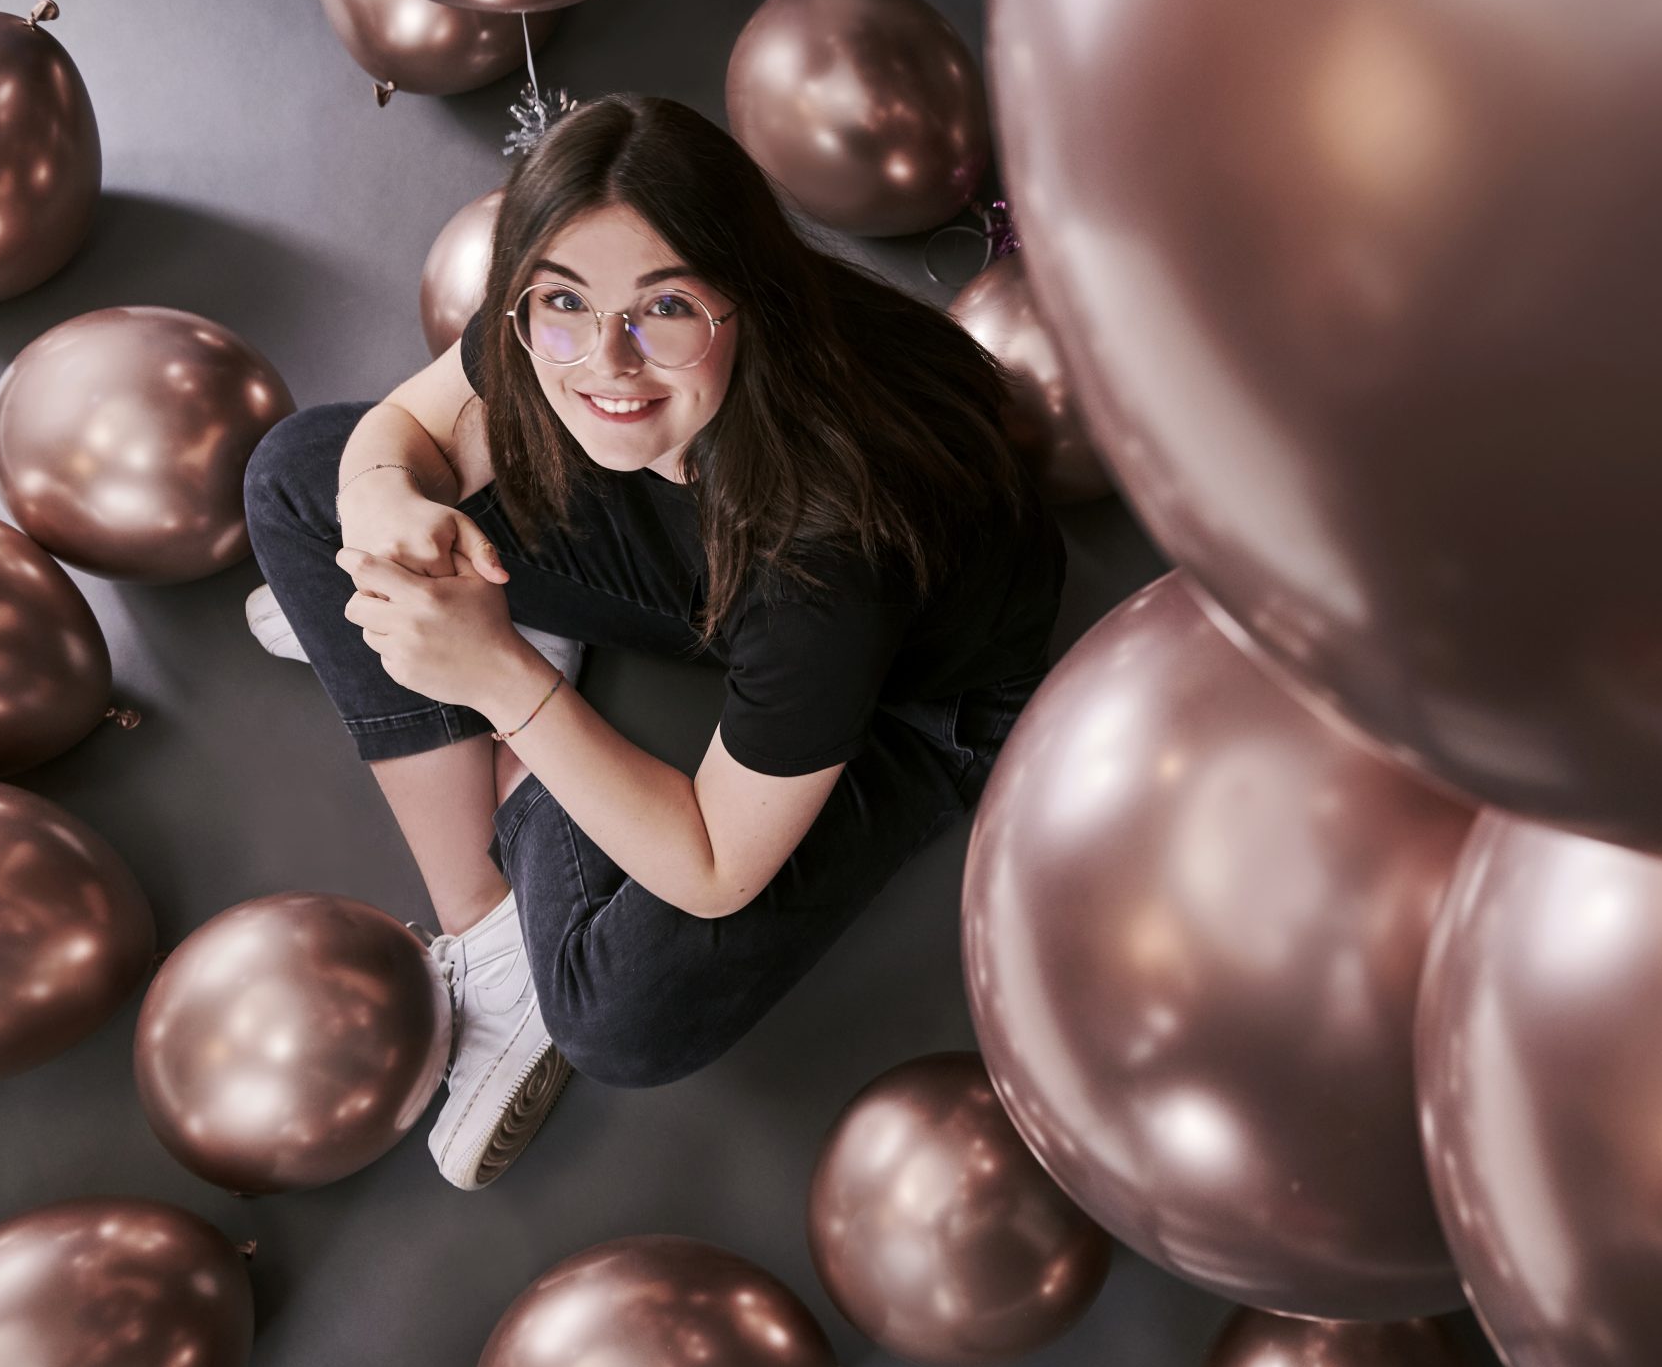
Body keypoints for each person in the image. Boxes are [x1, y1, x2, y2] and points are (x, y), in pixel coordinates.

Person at [241, 93, 1065, 1190]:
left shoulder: (828, 552)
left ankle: (521, 745)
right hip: (706, 551)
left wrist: (503, 681)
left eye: (664, 308)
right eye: (563, 304)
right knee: (300, 479)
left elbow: (715, 867)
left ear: (746, 297)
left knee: (618, 1015)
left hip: (909, 692)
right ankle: (486, 933)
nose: (607, 362)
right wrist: (387, 505)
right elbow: (410, 427)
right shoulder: (574, 318)